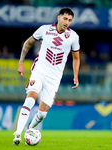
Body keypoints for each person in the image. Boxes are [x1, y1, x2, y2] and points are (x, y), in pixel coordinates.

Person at [13, 7, 80, 145]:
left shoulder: (73, 36)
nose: (67, 22)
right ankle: (18, 133)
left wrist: (76, 76)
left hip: (54, 78)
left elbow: (76, 58)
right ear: (58, 17)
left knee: (43, 112)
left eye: (70, 20)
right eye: (65, 19)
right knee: (31, 98)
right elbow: (28, 42)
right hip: (39, 71)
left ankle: (29, 129)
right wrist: (21, 63)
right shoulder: (44, 29)